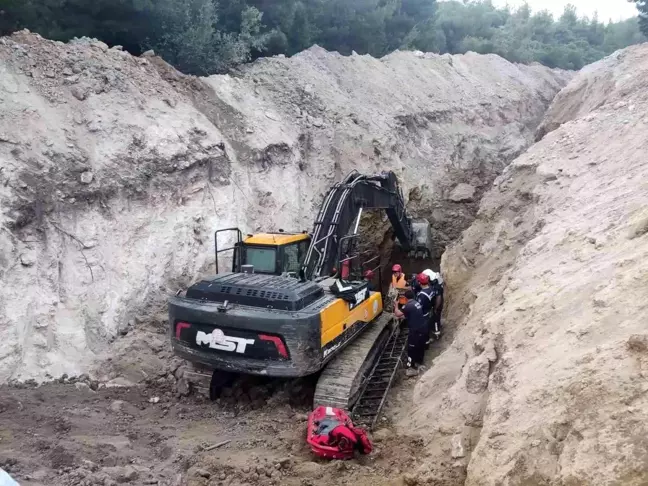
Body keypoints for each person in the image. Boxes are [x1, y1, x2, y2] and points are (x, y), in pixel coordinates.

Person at [394, 290, 427, 371]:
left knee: (411, 348)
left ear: (405, 298)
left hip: (415, 330)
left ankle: (411, 366)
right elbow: (408, 315)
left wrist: (396, 305)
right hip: (423, 328)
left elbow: (397, 314)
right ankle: (419, 361)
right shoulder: (416, 303)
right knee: (420, 345)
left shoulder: (408, 305)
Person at [415, 273, 436, 347]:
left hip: (423, 315)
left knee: (423, 331)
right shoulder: (431, 288)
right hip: (429, 311)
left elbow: (419, 307)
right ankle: (427, 341)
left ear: (420, 283)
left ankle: (425, 345)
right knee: (427, 329)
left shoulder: (422, 295)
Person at [423, 269, 444, 340]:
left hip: (437, 304)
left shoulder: (436, 284)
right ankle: (434, 329)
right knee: (433, 318)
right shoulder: (435, 279)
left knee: (436, 318)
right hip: (435, 302)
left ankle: (437, 333)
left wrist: (435, 307)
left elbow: (439, 297)